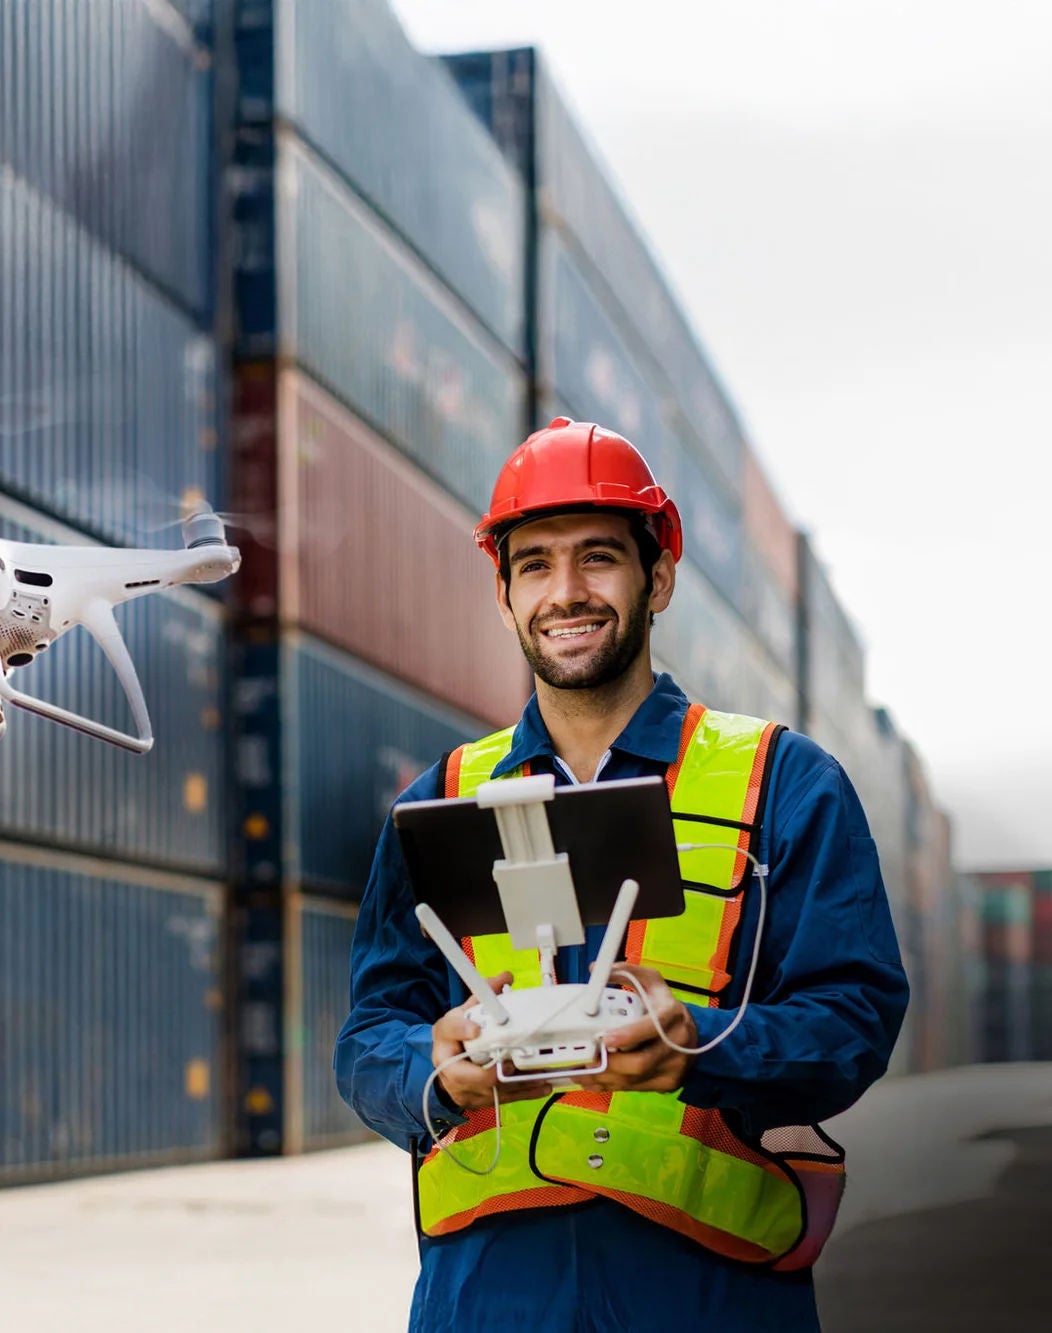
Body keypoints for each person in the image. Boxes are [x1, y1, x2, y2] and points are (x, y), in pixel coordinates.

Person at [334, 418, 909, 1331]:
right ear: (504, 594)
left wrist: (704, 1045)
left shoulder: (783, 783)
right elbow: (370, 1034)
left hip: (711, 1297)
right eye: (535, 564)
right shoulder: (440, 798)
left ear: (659, 578)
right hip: (487, 1300)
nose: (566, 591)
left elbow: (855, 1017)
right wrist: (434, 1074)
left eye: (598, 557)